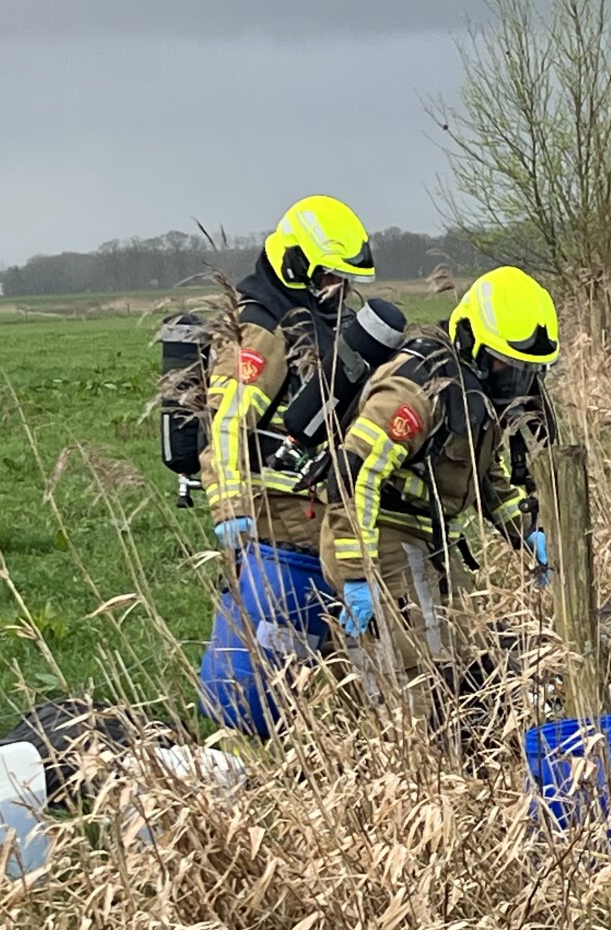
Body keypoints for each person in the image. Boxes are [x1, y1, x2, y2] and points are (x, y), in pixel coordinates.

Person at [195, 196, 407, 734]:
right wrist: (230, 504)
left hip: (314, 523)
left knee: (330, 654)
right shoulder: (261, 332)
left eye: (343, 280)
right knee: (274, 657)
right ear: (295, 266)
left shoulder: (308, 319)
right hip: (278, 528)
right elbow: (225, 423)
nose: (338, 291)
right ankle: (248, 744)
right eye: (329, 278)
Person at [328, 265, 559, 682]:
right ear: (470, 342)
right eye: (507, 366)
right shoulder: (414, 391)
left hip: (431, 536)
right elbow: (352, 474)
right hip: (380, 534)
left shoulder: (473, 393)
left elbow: (486, 477)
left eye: (527, 371)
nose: (516, 382)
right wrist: (357, 572)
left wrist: (526, 534)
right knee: (423, 673)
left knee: (473, 653)